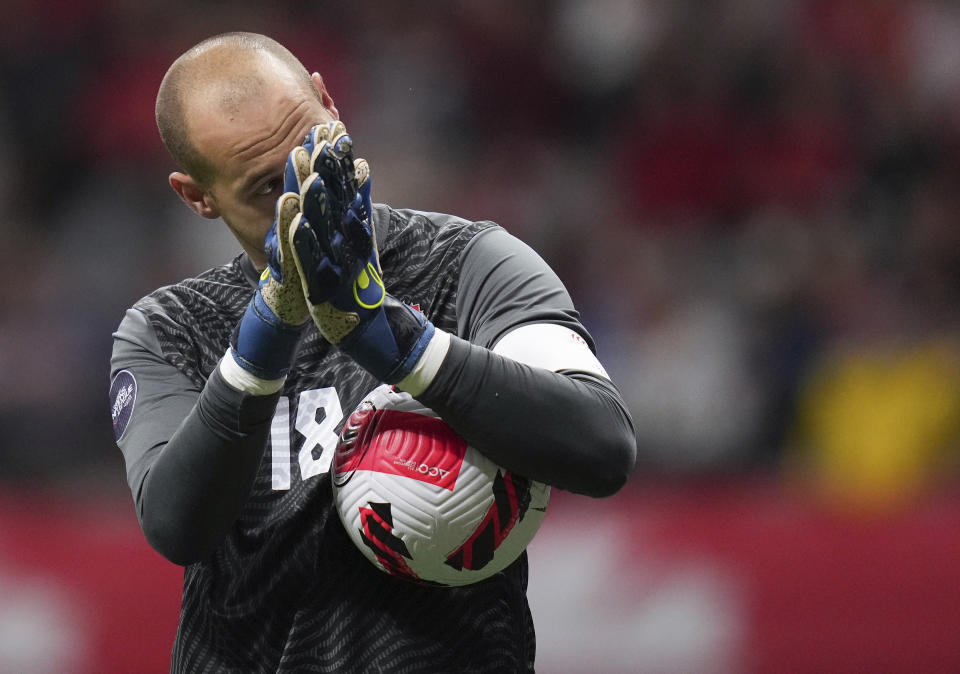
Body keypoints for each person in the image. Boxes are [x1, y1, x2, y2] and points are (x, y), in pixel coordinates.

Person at [109, 31, 636, 673]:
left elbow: (603, 445)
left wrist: (398, 343)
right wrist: (268, 331)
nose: (298, 194)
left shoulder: (468, 263)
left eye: (309, 150)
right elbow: (176, 525)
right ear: (197, 196)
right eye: (263, 187)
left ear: (330, 104)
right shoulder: (173, 328)